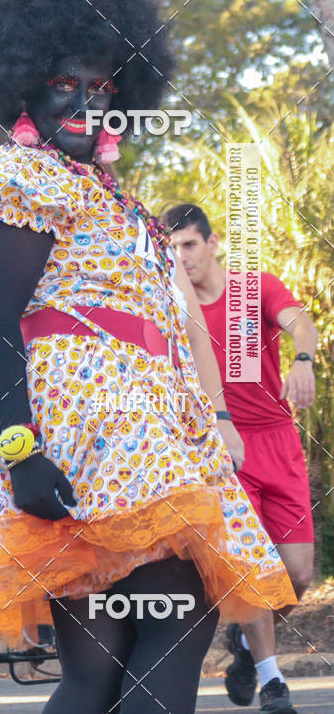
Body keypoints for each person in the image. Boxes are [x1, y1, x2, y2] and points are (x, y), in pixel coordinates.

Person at [0, 0, 297, 714]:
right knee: (185, 610)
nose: (84, 102)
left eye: (101, 88)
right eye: (64, 83)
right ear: (24, 83)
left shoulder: (109, 192)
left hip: (142, 422)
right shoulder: (24, 174)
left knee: (97, 672)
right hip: (79, 427)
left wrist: (209, 414)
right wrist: (21, 452)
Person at [165, 203, 316, 714]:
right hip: (223, 447)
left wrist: (302, 360)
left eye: (189, 244)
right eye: (172, 248)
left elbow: (302, 324)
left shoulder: (255, 288)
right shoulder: (172, 306)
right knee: (255, 567)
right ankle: (273, 682)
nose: (182, 256)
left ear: (212, 243)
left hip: (278, 441)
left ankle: (247, 651)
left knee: (297, 574)